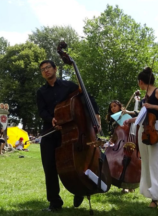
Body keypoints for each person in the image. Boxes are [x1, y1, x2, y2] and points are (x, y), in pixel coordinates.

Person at [36, 60, 101, 212]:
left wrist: (95, 113)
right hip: (50, 133)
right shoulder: (41, 92)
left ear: (55, 69)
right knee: (50, 168)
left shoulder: (69, 86)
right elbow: (42, 111)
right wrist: (50, 119)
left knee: (75, 164)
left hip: (72, 132)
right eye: (42, 69)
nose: (46, 71)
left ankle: (80, 190)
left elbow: (87, 97)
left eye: (48, 68)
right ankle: (55, 202)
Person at [124, 67, 158, 215]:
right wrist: (131, 120)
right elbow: (143, 114)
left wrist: (152, 106)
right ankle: (155, 196)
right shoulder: (144, 97)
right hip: (144, 129)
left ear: (141, 81)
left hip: (157, 129)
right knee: (147, 164)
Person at [105, 100, 139, 193]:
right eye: (111, 107)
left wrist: (129, 111)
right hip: (120, 143)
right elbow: (115, 134)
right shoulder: (113, 119)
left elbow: (139, 114)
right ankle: (124, 185)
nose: (113, 108)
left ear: (120, 106)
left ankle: (130, 184)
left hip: (131, 141)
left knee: (130, 163)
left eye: (115, 106)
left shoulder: (126, 114)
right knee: (119, 162)